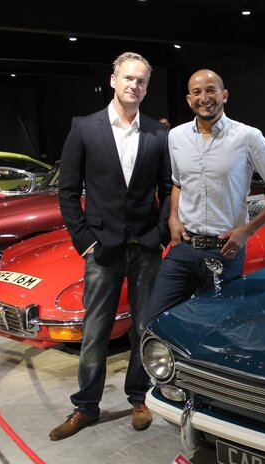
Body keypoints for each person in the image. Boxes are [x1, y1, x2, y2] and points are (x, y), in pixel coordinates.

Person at [50, 52, 172, 441]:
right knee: (95, 330)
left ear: (146, 88)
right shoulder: (85, 128)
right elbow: (68, 191)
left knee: (143, 328)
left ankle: (139, 396)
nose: (134, 85)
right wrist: (84, 241)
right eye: (128, 78)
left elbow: (169, 190)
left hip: (146, 248)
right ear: (113, 80)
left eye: (141, 81)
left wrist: (161, 234)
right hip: (101, 249)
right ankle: (86, 406)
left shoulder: (158, 134)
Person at [145, 69, 265, 321]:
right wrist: (173, 217)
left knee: (218, 329)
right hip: (183, 248)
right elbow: (179, 183)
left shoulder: (247, 137)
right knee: (155, 322)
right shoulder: (176, 136)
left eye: (211, 90)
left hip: (224, 252)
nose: (204, 98)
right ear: (189, 99)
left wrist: (247, 231)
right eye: (197, 92)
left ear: (224, 95)